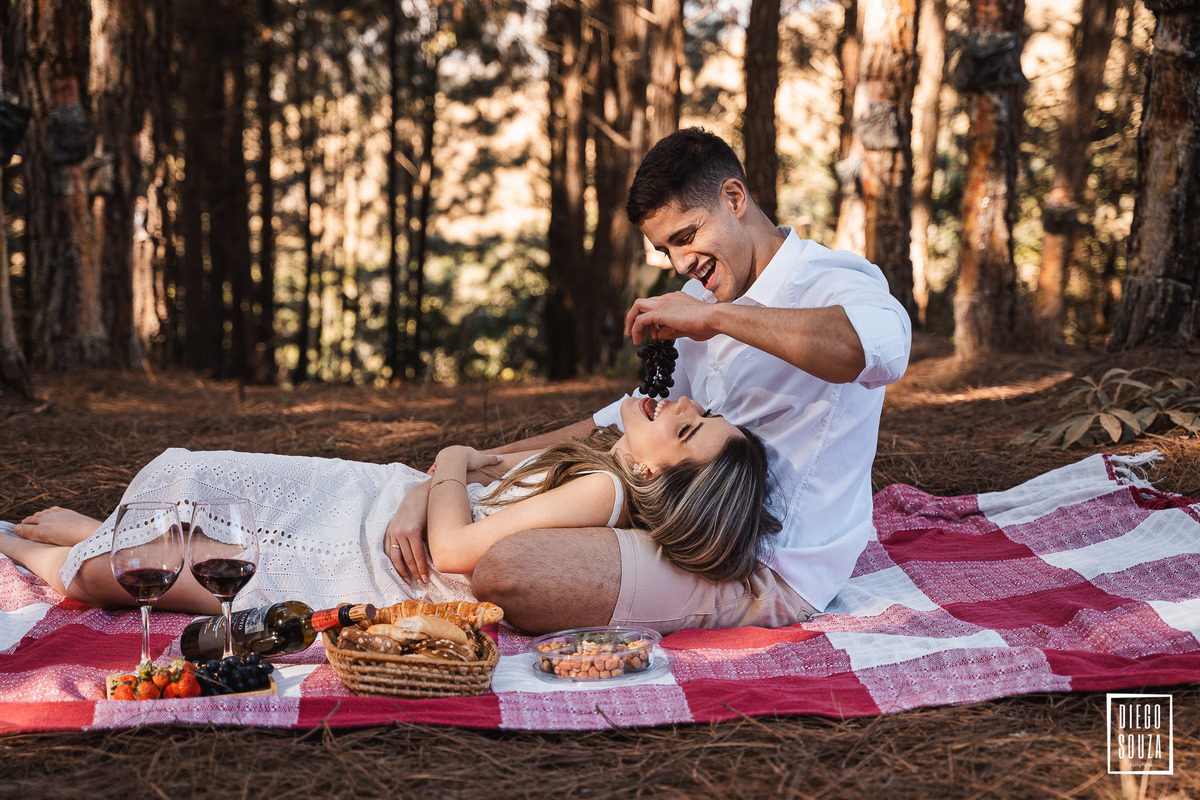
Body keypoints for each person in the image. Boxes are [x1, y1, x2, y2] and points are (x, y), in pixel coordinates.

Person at [468, 127, 912, 634]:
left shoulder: (834, 280)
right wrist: (483, 463)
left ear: (734, 197)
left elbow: (880, 352)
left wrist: (718, 320)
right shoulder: (700, 299)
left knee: (508, 570)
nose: (681, 263)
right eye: (666, 250)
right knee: (479, 502)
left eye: (687, 237)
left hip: (769, 569)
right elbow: (624, 418)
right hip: (685, 527)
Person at [1, 394, 779, 616]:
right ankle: (101, 535)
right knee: (207, 480)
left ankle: (41, 551)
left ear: (657, 481)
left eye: (695, 430)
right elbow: (484, 477)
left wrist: (440, 462)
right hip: (371, 504)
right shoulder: (599, 458)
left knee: (154, 575)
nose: (687, 405)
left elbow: (456, 552)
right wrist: (437, 479)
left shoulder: (604, 490)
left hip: (372, 559)